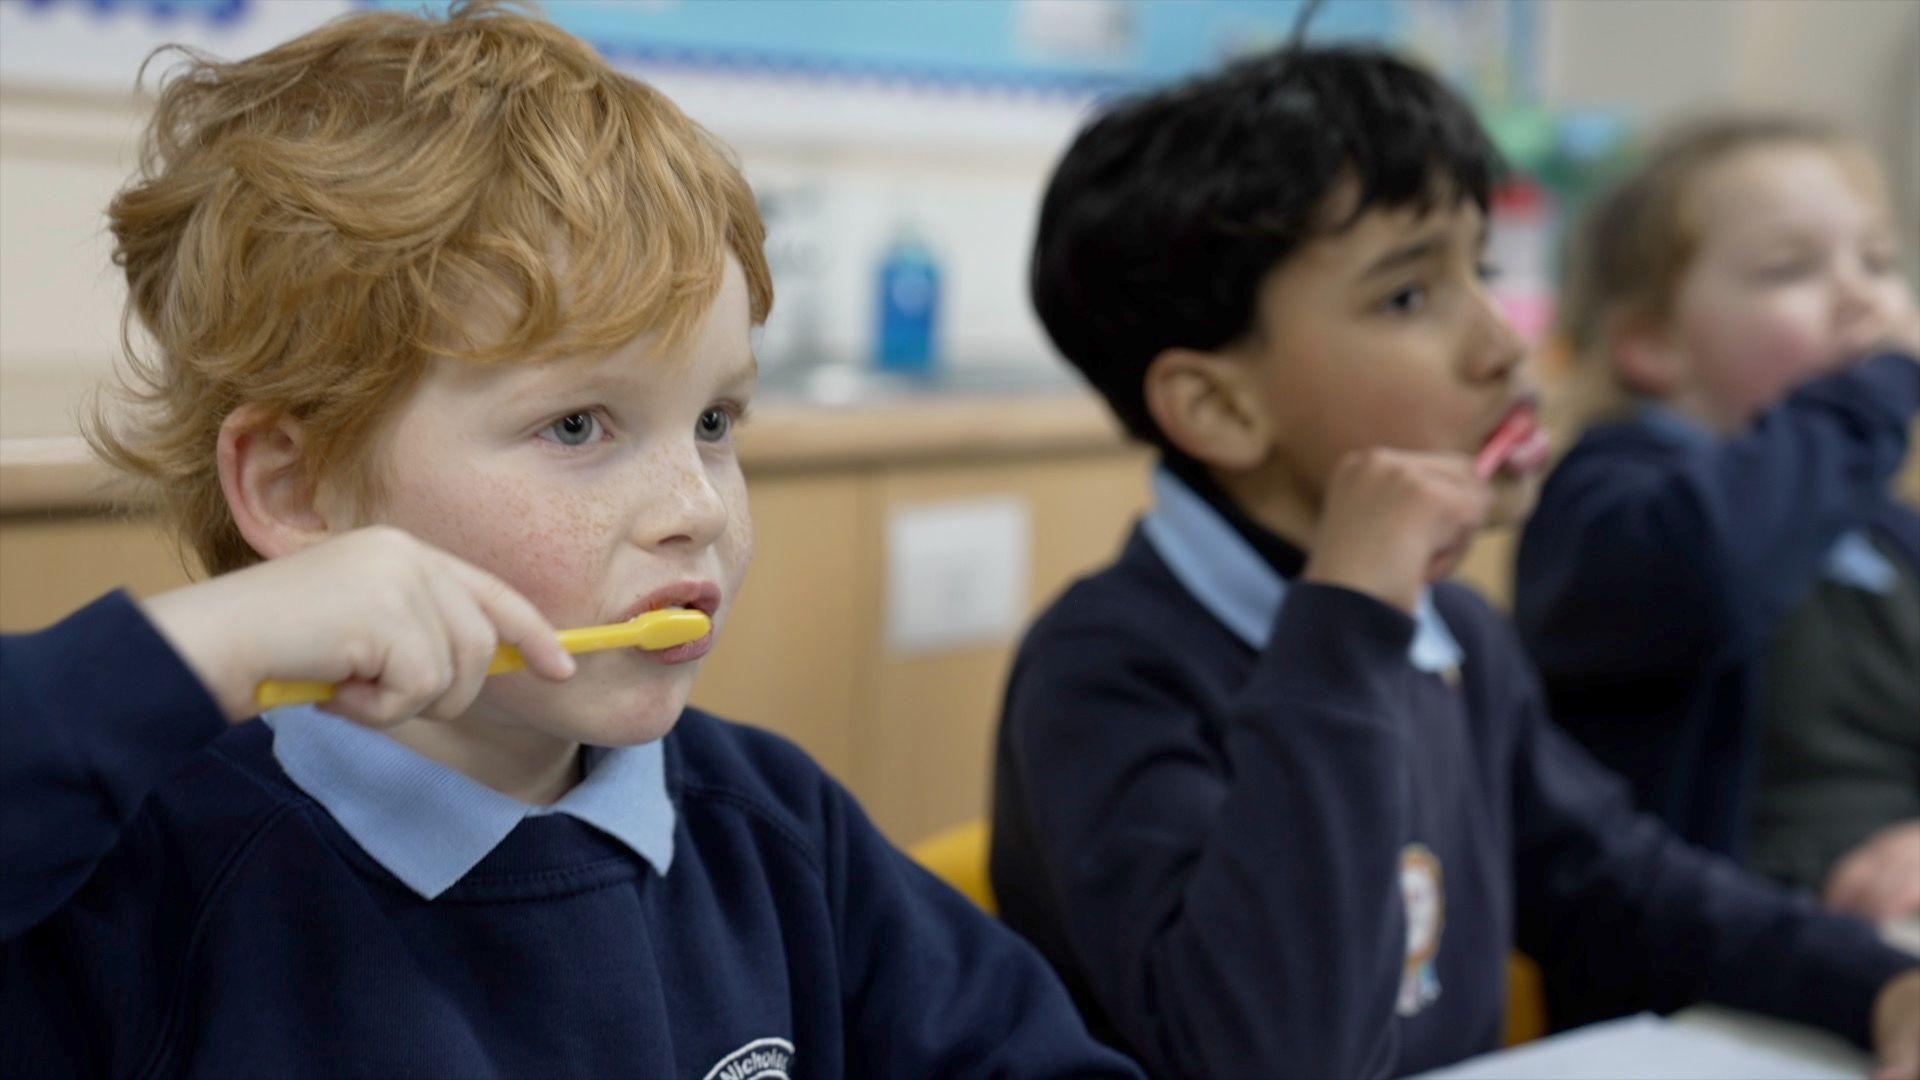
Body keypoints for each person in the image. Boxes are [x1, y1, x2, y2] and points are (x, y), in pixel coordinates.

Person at [0, 5, 1140, 1075]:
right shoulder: (143, 879)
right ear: (299, 492)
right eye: (579, 426)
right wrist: (193, 650)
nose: (696, 503)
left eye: (714, 422)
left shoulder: (776, 830)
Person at [989, 42, 1920, 1078]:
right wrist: (1345, 620)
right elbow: (1269, 1052)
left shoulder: (1454, 637)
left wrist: (1875, 983)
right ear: (1220, 405)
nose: (1502, 344)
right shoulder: (1107, 668)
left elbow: (1629, 889)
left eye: (1479, 269)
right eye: (1407, 297)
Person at [1514, 115, 1920, 918]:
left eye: (1878, 261)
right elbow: (1715, 568)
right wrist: (1877, 391)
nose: (1861, 298)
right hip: (1716, 978)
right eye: (1788, 268)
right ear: (1651, 345)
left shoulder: (1882, 527)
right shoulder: (1609, 502)